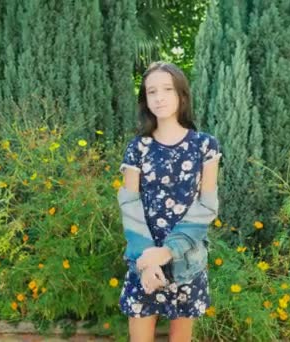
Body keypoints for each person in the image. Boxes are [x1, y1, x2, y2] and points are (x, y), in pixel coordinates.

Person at [117, 61, 221, 342]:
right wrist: (148, 259)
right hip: (144, 259)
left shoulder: (205, 146)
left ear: (182, 96)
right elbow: (130, 204)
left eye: (167, 90)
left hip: (186, 261)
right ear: (145, 100)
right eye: (152, 92)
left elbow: (207, 205)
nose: (159, 97)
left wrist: (168, 251)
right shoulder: (138, 147)